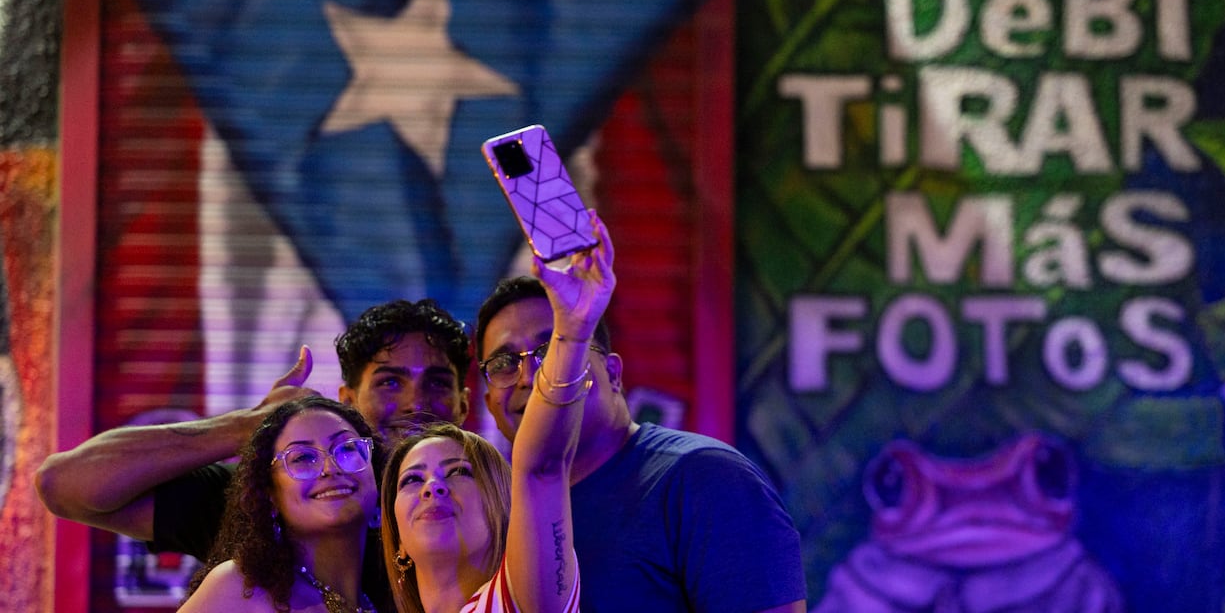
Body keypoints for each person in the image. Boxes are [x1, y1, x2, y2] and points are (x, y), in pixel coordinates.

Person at [475, 256, 807, 611]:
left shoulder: (703, 478)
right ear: (489, 404)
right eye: (504, 363)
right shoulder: (493, 515)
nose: (530, 377)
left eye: (554, 352)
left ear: (614, 373)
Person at [35, 297, 471, 561]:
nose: (416, 402)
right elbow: (64, 483)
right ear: (347, 402)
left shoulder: (498, 506)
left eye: (437, 382)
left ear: (464, 406)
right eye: (390, 381)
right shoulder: (265, 503)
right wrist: (250, 427)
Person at [380, 211, 612, 613]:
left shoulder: (519, 601)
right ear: (397, 541)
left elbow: (541, 466)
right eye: (411, 480)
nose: (433, 487)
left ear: (503, 512)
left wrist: (572, 333)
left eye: (458, 472)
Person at [179, 396, 392, 613]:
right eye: (302, 458)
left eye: (347, 449)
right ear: (270, 494)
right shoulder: (243, 589)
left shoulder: (393, 596)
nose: (331, 468)